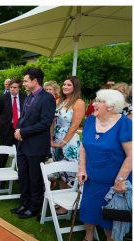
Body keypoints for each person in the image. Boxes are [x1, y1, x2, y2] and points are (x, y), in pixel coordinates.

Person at [77, 89, 132, 241]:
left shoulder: (125, 124)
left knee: (111, 214)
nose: (93, 104)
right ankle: (89, 237)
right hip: (92, 177)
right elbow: (83, 147)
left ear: (110, 106)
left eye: (97, 101)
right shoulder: (89, 121)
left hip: (114, 180)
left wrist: (120, 180)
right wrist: (81, 168)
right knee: (89, 209)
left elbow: (131, 155)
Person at [11, 68, 56, 219]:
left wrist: (23, 132)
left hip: (36, 146)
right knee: (23, 176)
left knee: (34, 178)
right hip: (23, 144)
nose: (23, 83)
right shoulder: (29, 97)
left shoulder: (47, 98)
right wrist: (18, 130)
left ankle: (34, 207)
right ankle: (24, 203)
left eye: (25, 80)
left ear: (35, 81)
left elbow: (45, 123)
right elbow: (24, 118)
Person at [51, 76, 85, 215]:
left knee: (70, 173)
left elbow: (75, 125)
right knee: (61, 173)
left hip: (69, 141)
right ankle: (62, 203)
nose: (65, 87)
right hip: (56, 139)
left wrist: (63, 142)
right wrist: (51, 140)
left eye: (68, 85)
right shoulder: (59, 101)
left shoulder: (79, 102)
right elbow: (52, 121)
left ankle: (73, 204)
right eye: (64, 84)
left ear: (75, 87)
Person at [0, 78, 26, 173]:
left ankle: (20, 174)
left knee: (20, 152)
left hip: (20, 129)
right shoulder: (3, 98)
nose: (12, 89)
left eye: (15, 87)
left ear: (19, 88)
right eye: (11, 87)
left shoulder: (25, 97)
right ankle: (1, 173)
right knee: (4, 153)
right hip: (6, 130)